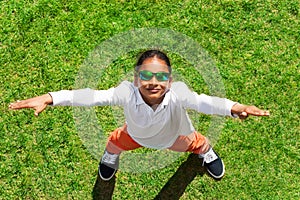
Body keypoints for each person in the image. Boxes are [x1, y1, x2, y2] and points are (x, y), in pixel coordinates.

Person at [9, 49, 270, 181]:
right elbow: (89, 96)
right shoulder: (125, 92)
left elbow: (206, 102)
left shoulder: (179, 93)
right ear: (136, 79)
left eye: (161, 76)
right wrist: (50, 98)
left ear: (170, 79)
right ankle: (112, 156)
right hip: (134, 135)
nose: (153, 81)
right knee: (114, 143)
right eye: (146, 75)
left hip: (173, 137)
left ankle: (205, 152)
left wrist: (235, 108)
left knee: (196, 143)